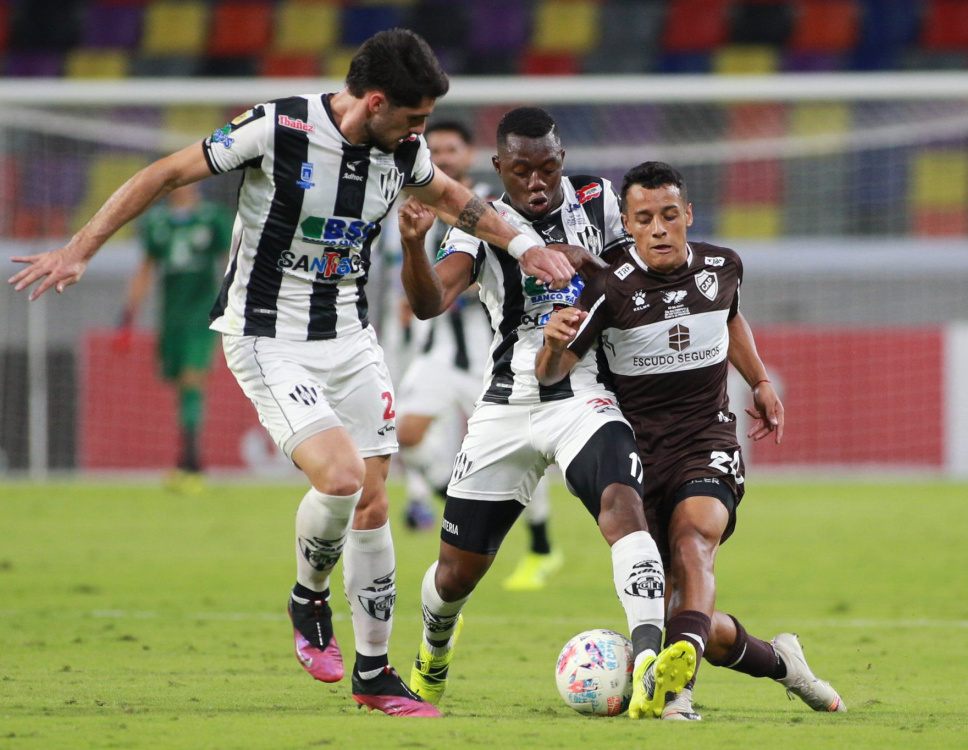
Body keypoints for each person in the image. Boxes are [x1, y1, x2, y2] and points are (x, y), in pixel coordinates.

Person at [8, 29, 575, 718]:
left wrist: (525, 245)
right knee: (339, 478)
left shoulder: (404, 149)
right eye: (414, 117)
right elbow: (164, 174)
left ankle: (374, 673)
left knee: (372, 502)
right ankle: (308, 596)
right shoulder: (278, 127)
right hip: (267, 337)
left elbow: (459, 200)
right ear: (374, 102)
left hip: (350, 339)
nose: (420, 132)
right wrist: (79, 249)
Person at [399, 107, 696, 719]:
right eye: (522, 170)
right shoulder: (482, 221)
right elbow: (430, 301)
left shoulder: (599, 201)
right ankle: (433, 651)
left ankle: (648, 665)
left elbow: (642, 276)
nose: (537, 182)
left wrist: (591, 269)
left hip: (583, 394)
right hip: (505, 407)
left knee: (625, 509)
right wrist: (410, 245)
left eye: (548, 168)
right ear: (499, 166)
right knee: (455, 576)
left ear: (562, 161)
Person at [536, 161, 846, 721]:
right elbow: (551, 375)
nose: (659, 229)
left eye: (669, 215)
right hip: (636, 453)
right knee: (673, 611)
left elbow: (731, 319)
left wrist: (760, 382)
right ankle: (784, 664)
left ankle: (677, 693)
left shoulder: (723, 266)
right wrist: (553, 344)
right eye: (644, 219)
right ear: (627, 224)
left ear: (688, 215)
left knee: (693, 542)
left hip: (707, 440)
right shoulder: (606, 286)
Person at [392, 120, 563, 591]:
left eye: (451, 149)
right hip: (437, 352)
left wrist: (457, 286)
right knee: (405, 433)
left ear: (470, 155)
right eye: (435, 150)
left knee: (524, 449)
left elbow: (512, 270)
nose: (443, 157)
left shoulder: (495, 207)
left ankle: (541, 547)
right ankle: (454, 498)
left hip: (491, 354)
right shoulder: (410, 207)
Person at [113, 183, 232, 494]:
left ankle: (192, 465)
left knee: (193, 380)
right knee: (182, 386)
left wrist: (234, 306)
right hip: (170, 318)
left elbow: (230, 263)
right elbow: (145, 270)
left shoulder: (213, 219)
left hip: (202, 315)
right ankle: (185, 463)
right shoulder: (156, 223)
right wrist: (127, 318)